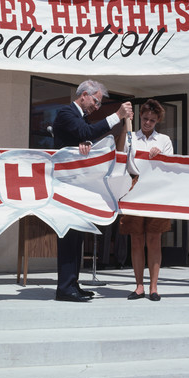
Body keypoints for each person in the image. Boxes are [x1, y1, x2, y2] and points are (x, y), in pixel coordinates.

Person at [52, 79, 133, 302]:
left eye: (99, 104)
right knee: (68, 237)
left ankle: (72, 284)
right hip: (64, 186)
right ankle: (65, 287)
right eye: (96, 102)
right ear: (84, 94)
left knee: (76, 237)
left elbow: (83, 133)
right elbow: (83, 130)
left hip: (76, 186)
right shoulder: (65, 112)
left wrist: (84, 143)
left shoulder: (80, 119)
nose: (96, 107)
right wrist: (117, 115)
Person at [119, 99, 173, 302]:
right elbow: (120, 155)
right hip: (133, 187)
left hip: (156, 189)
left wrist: (160, 157)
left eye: (152, 120)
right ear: (139, 117)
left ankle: (154, 287)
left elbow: (171, 168)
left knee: (154, 239)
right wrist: (125, 125)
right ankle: (139, 285)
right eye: (144, 118)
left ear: (158, 120)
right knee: (136, 240)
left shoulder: (165, 140)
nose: (147, 123)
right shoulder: (130, 136)